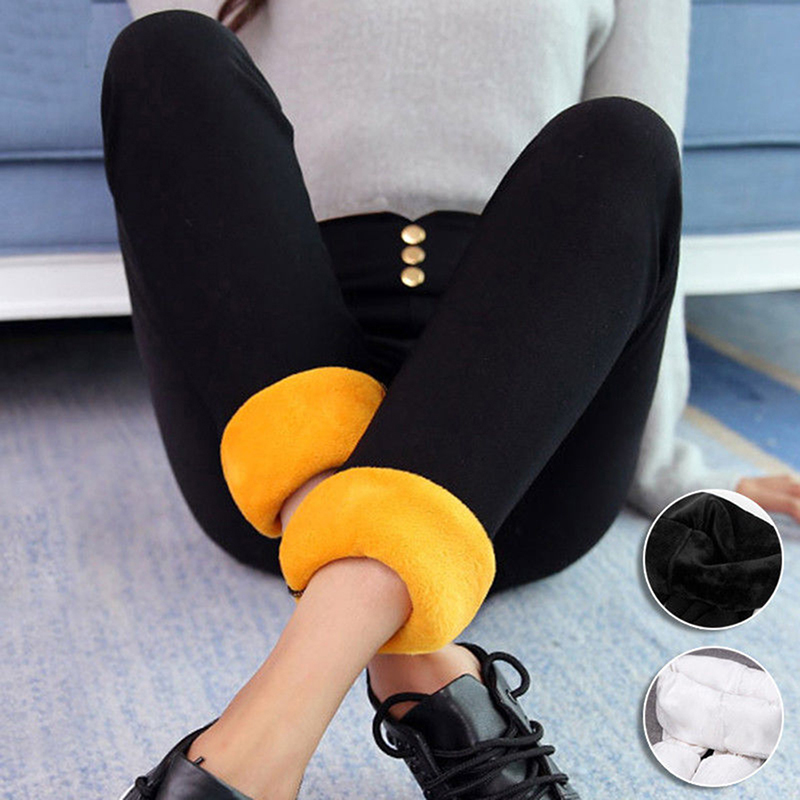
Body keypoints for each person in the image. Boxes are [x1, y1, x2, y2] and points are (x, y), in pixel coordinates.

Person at [101, 2, 798, 799]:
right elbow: (184, 174)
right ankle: (417, 662)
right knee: (165, 55)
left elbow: (643, 207)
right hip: (279, 409)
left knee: (626, 137)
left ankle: (254, 747)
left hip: (522, 436)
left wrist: (673, 469)